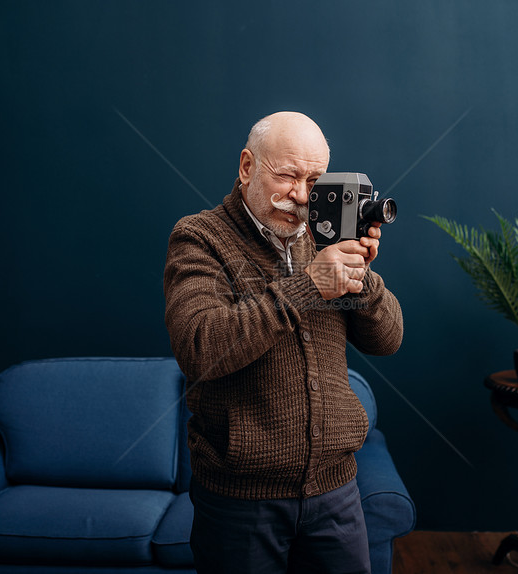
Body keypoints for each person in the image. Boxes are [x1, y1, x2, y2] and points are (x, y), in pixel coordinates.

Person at [163, 111, 403, 574]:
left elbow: (388, 339)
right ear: (248, 166)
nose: (301, 196)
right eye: (288, 175)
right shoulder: (199, 237)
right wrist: (310, 285)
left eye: (314, 179)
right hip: (241, 503)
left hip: (336, 494)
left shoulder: (324, 236)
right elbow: (200, 348)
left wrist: (362, 278)